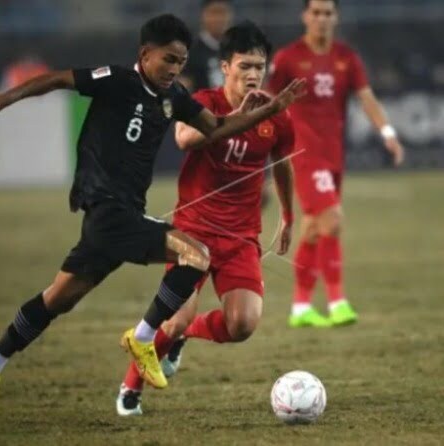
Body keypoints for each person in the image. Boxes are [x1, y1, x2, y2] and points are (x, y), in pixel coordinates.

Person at [0, 13, 305, 416]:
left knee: (57, 299)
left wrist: (266, 109)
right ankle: (143, 338)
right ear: (145, 54)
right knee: (196, 254)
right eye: (168, 60)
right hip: (107, 209)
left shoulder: (173, 97)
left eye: (181, 62)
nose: (174, 69)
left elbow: (213, 129)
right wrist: (5, 99)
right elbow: (57, 79)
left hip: (117, 219)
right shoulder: (117, 80)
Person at [115, 21, 295, 416]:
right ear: (225, 67)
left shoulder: (276, 114)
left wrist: (289, 213)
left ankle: (184, 339)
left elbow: (282, 164)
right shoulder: (203, 103)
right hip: (193, 234)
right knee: (174, 321)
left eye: (259, 68)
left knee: (242, 326)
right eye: (244, 66)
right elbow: (183, 139)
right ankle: (131, 386)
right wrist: (238, 119)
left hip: (241, 237)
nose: (253, 75)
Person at [268, 0, 405, 328]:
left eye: (328, 13)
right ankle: (337, 301)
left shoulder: (346, 58)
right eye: (315, 12)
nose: (321, 19)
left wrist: (387, 132)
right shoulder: (287, 58)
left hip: (333, 155)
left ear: (336, 17)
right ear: (305, 16)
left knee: (314, 228)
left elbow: (367, 97)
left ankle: (300, 308)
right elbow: (267, 102)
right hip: (303, 153)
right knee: (333, 221)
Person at [179, 0, 234, 92]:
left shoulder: (239, 48)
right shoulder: (190, 50)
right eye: (214, 13)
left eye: (223, 12)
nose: (219, 19)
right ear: (203, 15)